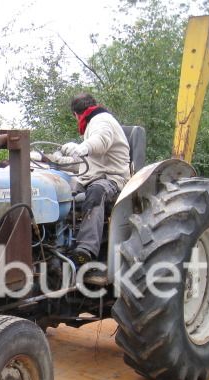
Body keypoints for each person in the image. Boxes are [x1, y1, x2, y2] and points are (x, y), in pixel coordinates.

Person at [59, 93, 131, 266]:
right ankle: (59, 243)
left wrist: (83, 147)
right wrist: (48, 159)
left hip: (113, 178)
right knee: (62, 193)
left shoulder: (102, 120)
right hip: (91, 177)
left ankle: (86, 249)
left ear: (76, 114)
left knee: (96, 191)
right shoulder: (94, 123)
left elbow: (101, 141)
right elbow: (80, 163)